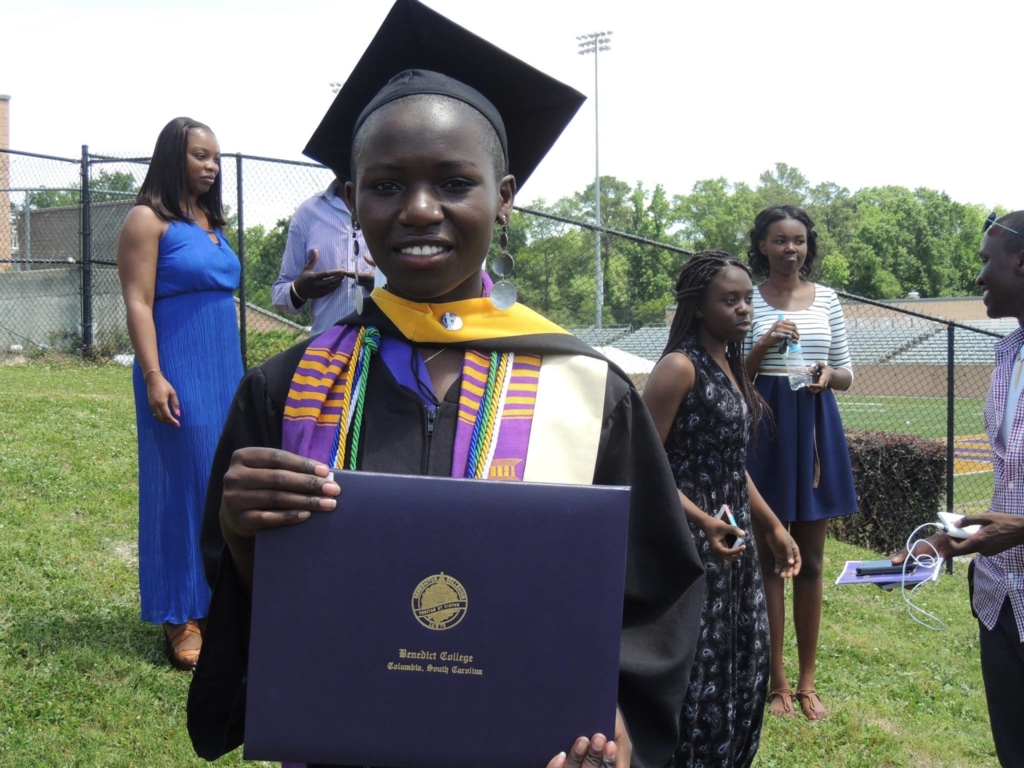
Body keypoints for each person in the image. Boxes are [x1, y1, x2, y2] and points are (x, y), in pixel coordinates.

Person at [186, 3, 705, 767]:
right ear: (354, 201)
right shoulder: (284, 387)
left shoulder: (590, 392)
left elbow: (655, 596)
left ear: (505, 194)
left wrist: (620, 721)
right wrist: (237, 530)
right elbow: (257, 599)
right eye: (386, 185)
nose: (419, 209)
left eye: (454, 182)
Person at [643, 251, 801, 767]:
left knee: (742, 659)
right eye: (728, 300)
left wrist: (773, 525)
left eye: (747, 300)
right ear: (698, 307)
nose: (743, 310)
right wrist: (703, 520)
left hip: (731, 543)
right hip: (692, 543)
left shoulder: (731, 367)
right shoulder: (679, 367)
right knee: (699, 671)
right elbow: (645, 466)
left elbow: (731, 466)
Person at [891, 210, 1024, 767]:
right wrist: (951, 541)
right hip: (1001, 599)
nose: (978, 278)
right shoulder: (1007, 352)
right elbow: (1011, 488)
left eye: (985, 262)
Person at [115, 117, 244, 671]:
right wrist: (152, 374)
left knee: (221, 482)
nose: (211, 165)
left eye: (215, 156)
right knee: (182, 486)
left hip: (225, 370)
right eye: (200, 155)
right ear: (174, 156)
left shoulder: (210, 221)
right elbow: (138, 302)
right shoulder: (147, 220)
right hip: (177, 371)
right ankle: (180, 613)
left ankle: (219, 601)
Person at [742, 205, 857, 721]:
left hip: (814, 428)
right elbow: (735, 373)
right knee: (769, 561)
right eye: (780, 240)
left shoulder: (827, 299)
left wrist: (825, 374)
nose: (791, 248)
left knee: (810, 563)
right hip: (764, 428)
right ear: (762, 246)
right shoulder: (747, 299)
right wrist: (765, 342)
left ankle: (808, 682)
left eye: (800, 240)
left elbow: (848, 374)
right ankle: (777, 681)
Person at [271, 178, 377, 336]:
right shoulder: (309, 212)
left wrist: (383, 284)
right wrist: (300, 289)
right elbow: (279, 297)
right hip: (325, 351)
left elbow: (420, 288)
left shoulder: (390, 207)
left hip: (383, 346)